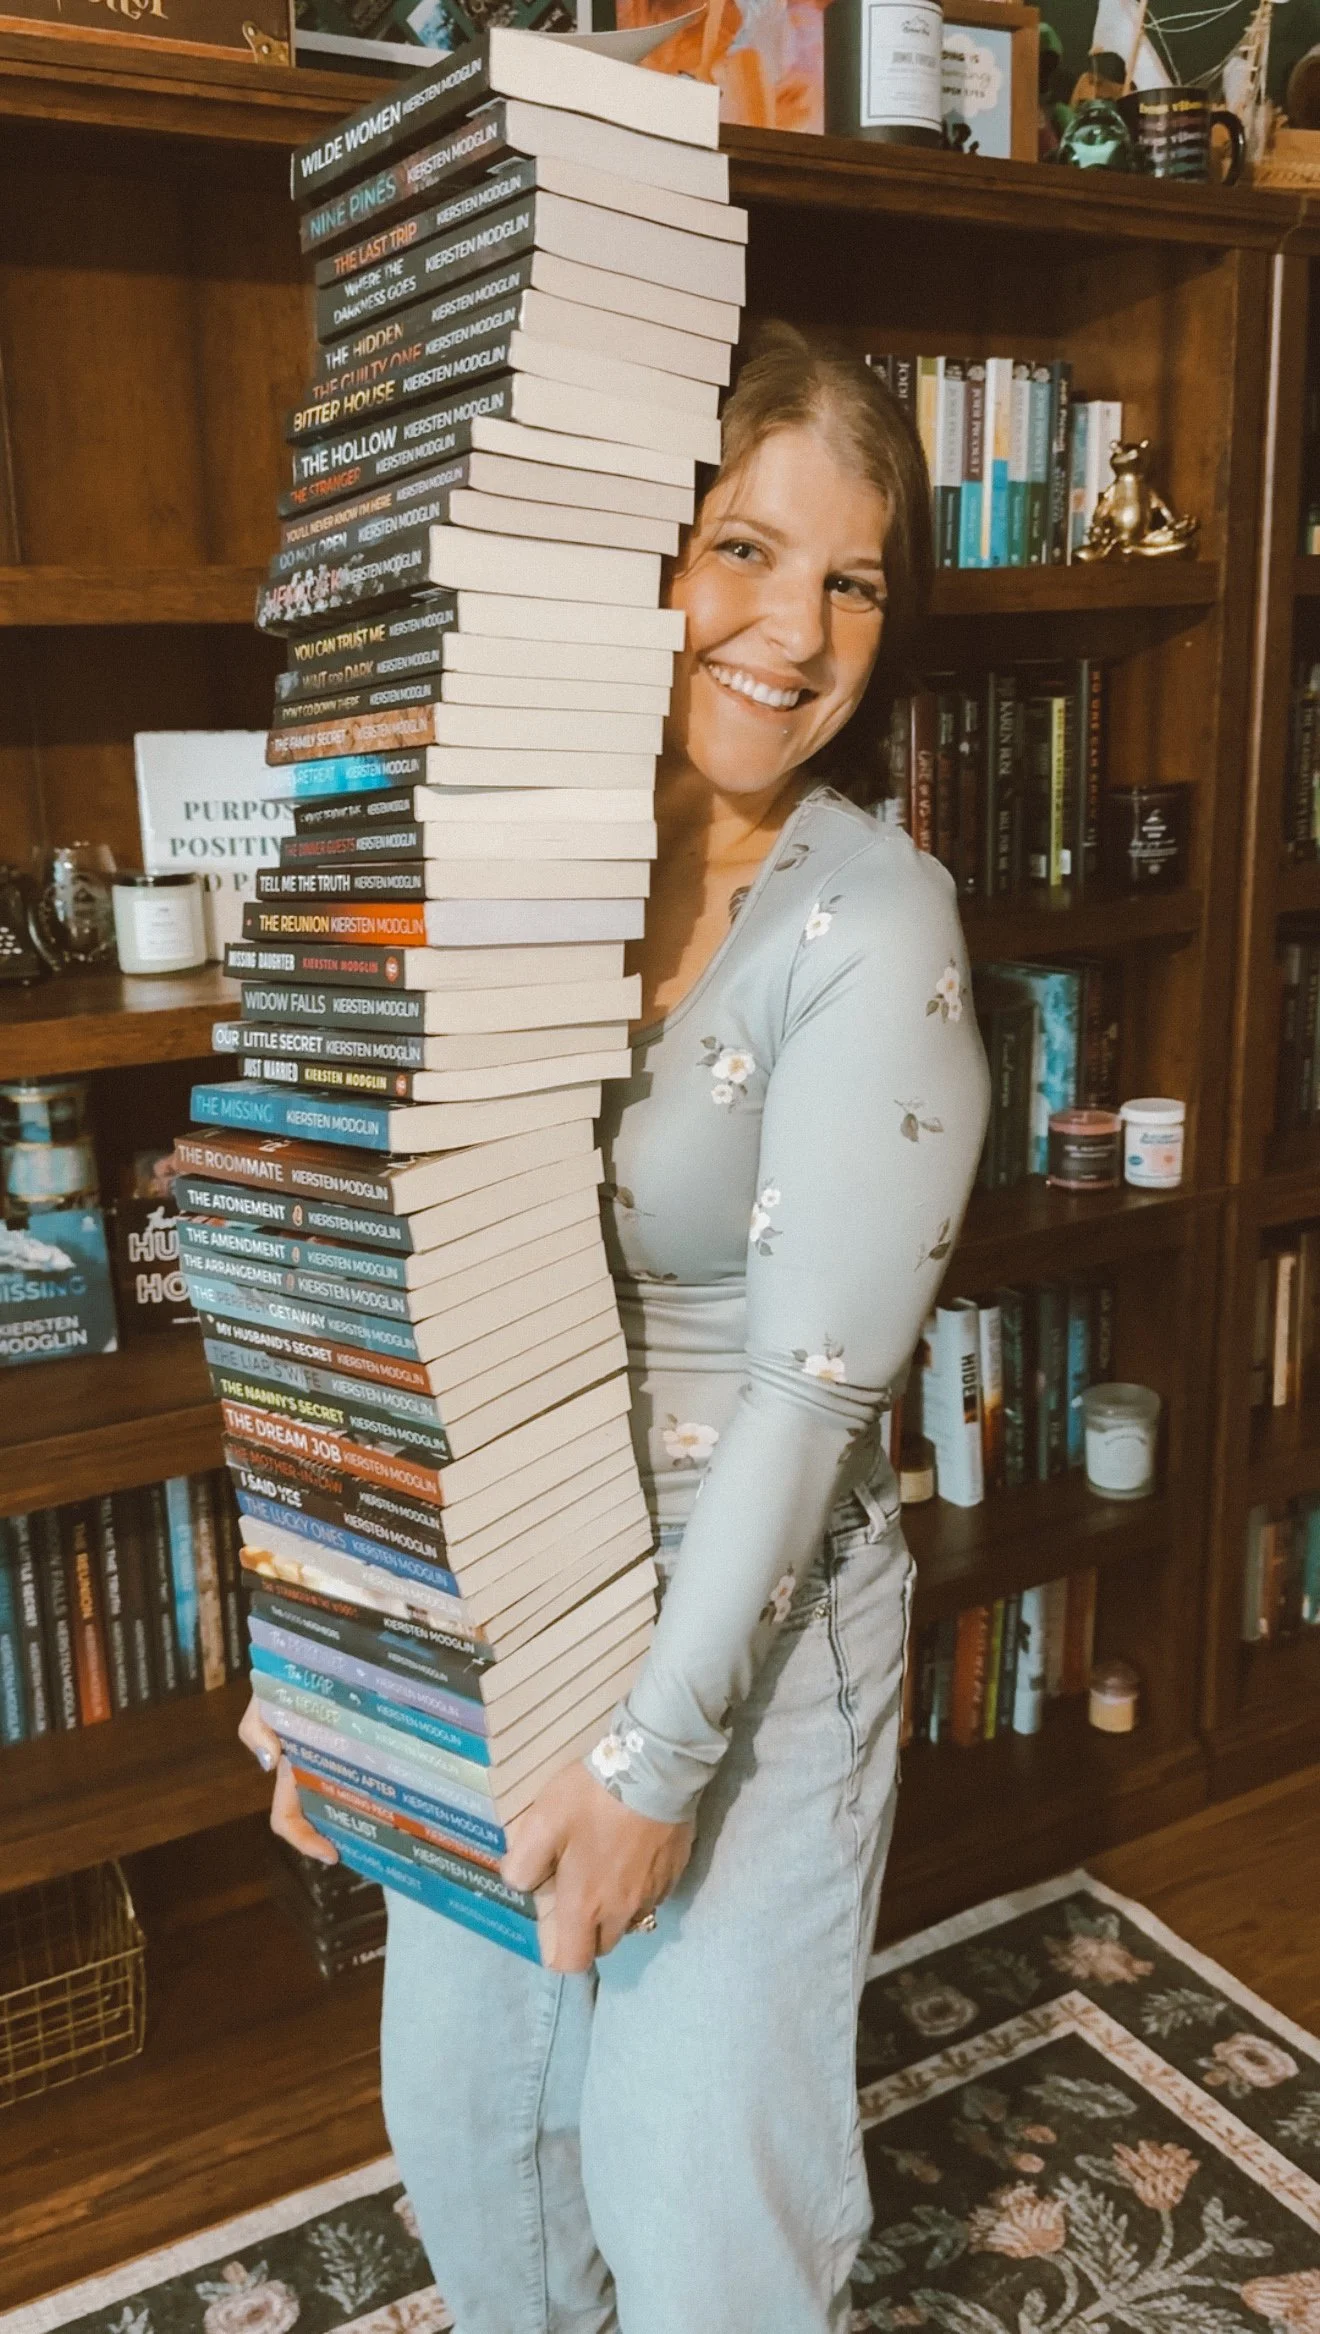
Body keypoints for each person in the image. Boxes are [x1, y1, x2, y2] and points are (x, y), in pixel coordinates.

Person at [241, 321, 990, 2333]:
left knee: (706, 2235)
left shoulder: (874, 921)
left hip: (744, 1658)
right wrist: (329, 1651)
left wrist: (657, 1768)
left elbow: (812, 1394)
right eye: (745, 548)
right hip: (500, 1605)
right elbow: (358, 1260)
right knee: (478, 2163)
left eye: (852, 582)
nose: (797, 629)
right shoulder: (499, 856)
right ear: (634, 554)